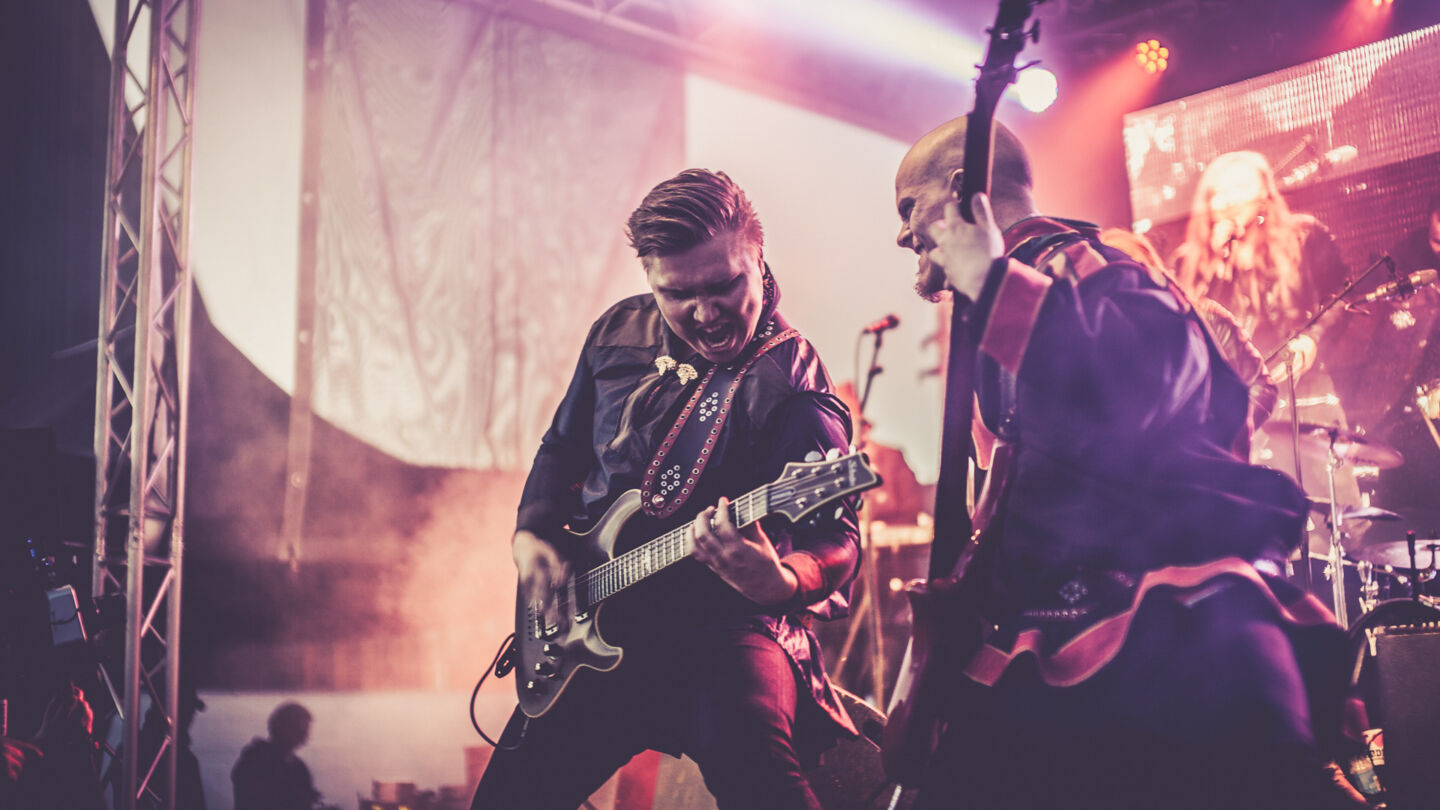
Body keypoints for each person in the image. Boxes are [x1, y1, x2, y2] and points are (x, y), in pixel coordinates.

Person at [891, 116, 1366, 809]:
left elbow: (1148, 378)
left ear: (962, 190)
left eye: (909, 208)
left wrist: (994, 284)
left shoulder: (1085, 259)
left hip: (1155, 630)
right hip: (1070, 629)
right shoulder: (1022, 282)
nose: (903, 235)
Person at [469, 169, 860, 810]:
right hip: (593, 625)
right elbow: (561, 447)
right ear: (650, 279)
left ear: (757, 260)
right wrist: (533, 533)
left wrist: (783, 581)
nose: (705, 314)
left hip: (725, 631)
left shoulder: (793, 384)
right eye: (677, 294)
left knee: (767, 787)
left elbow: (836, 538)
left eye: (725, 285)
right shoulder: (616, 332)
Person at [232, 701, 320, 810]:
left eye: (305, 732)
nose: (304, 737)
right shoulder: (253, 764)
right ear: (279, 727)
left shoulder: (299, 767)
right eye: (299, 730)